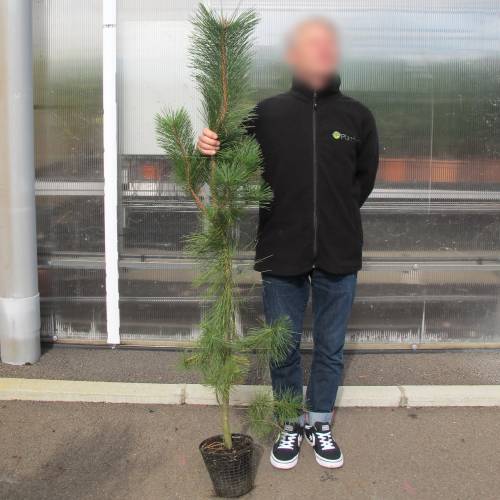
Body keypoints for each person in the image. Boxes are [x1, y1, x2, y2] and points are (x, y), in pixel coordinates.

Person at [197, 18, 379, 470]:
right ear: (294, 55)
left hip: (339, 250)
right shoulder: (268, 113)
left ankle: (319, 423)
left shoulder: (357, 116)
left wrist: (334, 217)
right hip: (281, 248)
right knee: (283, 346)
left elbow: (363, 181)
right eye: (311, 44)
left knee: (331, 347)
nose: (321, 50)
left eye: (328, 43)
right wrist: (208, 143)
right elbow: (227, 158)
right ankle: (289, 424)